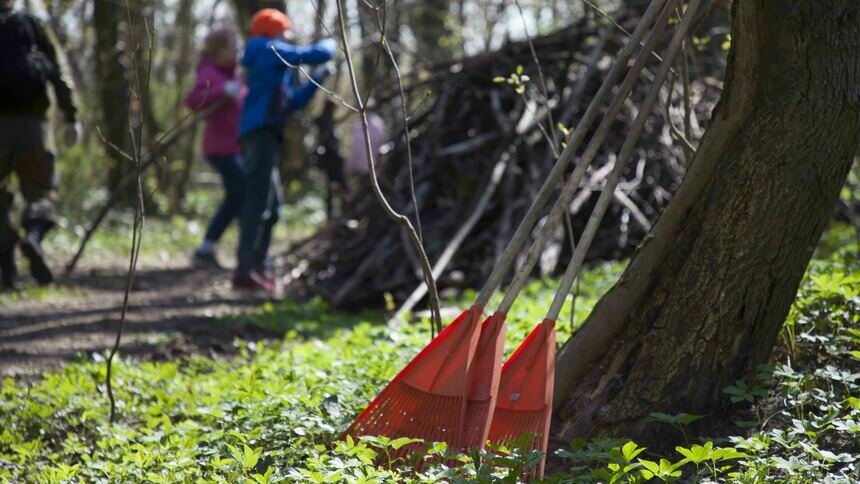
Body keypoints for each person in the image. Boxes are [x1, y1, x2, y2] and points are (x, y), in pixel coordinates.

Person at [234, 8, 336, 291]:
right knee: (258, 202)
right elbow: (315, 53)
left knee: (273, 207)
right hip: (260, 134)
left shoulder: (271, 62)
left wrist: (319, 77)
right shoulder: (267, 49)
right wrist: (332, 44)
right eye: (285, 31)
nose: (288, 36)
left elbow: (292, 102)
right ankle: (245, 270)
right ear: (272, 30)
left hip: (266, 134)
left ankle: (256, 267)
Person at [0, 0, 79, 290]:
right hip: (34, 127)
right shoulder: (32, 24)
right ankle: (33, 237)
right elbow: (58, 71)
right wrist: (71, 115)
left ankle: (7, 276)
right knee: (41, 192)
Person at [185, 27, 246, 269]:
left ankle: (208, 248)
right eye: (233, 47)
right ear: (219, 50)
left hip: (234, 147)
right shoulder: (209, 72)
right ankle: (210, 249)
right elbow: (192, 99)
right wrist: (222, 90)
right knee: (241, 192)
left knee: (237, 195)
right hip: (220, 148)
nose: (237, 51)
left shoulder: (233, 74)